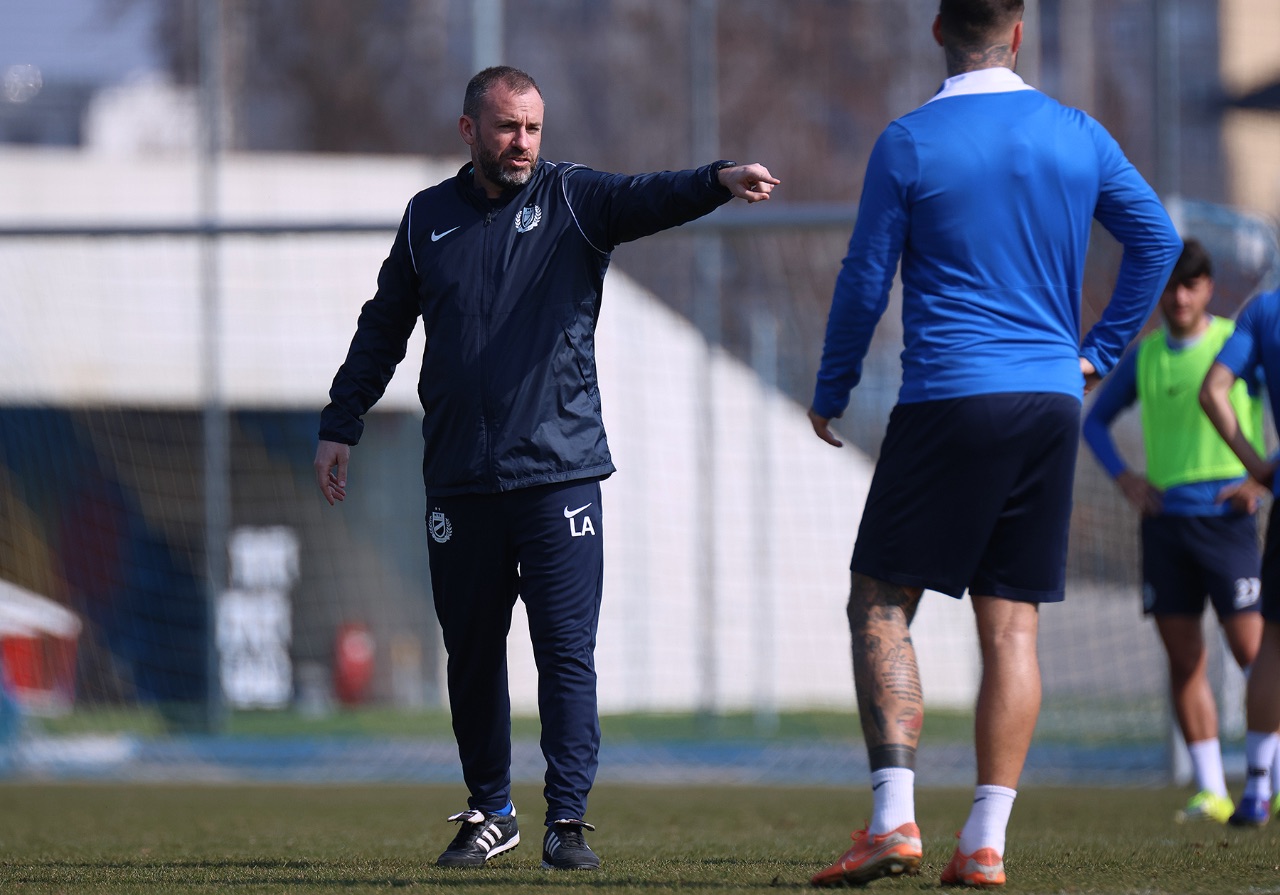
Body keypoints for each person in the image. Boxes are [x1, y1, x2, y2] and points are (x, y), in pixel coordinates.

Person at [313, 66, 777, 871]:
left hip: (558, 473)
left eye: (532, 127)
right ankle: (491, 810)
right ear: (470, 131)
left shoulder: (572, 199)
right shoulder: (427, 218)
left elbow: (647, 197)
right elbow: (383, 325)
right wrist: (340, 421)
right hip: (459, 478)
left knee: (565, 651)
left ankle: (567, 818)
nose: (522, 142)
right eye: (507, 127)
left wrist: (717, 179)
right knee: (471, 654)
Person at [805, 1, 1181, 887]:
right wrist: (1096, 353)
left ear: (938, 28)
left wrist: (832, 386)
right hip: (1050, 402)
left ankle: (893, 821)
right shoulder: (1077, 134)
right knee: (1012, 624)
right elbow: (1158, 240)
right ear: (1017, 33)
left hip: (951, 396)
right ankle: (984, 841)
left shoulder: (909, 141)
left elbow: (866, 276)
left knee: (880, 600)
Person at [1082, 239, 1265, 825]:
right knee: (1184, 659)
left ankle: (1269, 780)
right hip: (1165, 525)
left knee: (1256, 654)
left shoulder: (1237, 344)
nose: (1180, 297)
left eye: (1190, 285)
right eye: (1170, 286)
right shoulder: (1146, 357)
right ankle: (1211, 789)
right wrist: (1126, 479)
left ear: (1209, 287)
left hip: (1228, 522)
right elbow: (1095, 424)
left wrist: (1261, 478)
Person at [1201, 286, 1280, 827]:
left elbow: (1213, 391)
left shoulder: (1264, 309)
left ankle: (1255, 789)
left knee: (1272, 641)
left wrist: (1261, 468)